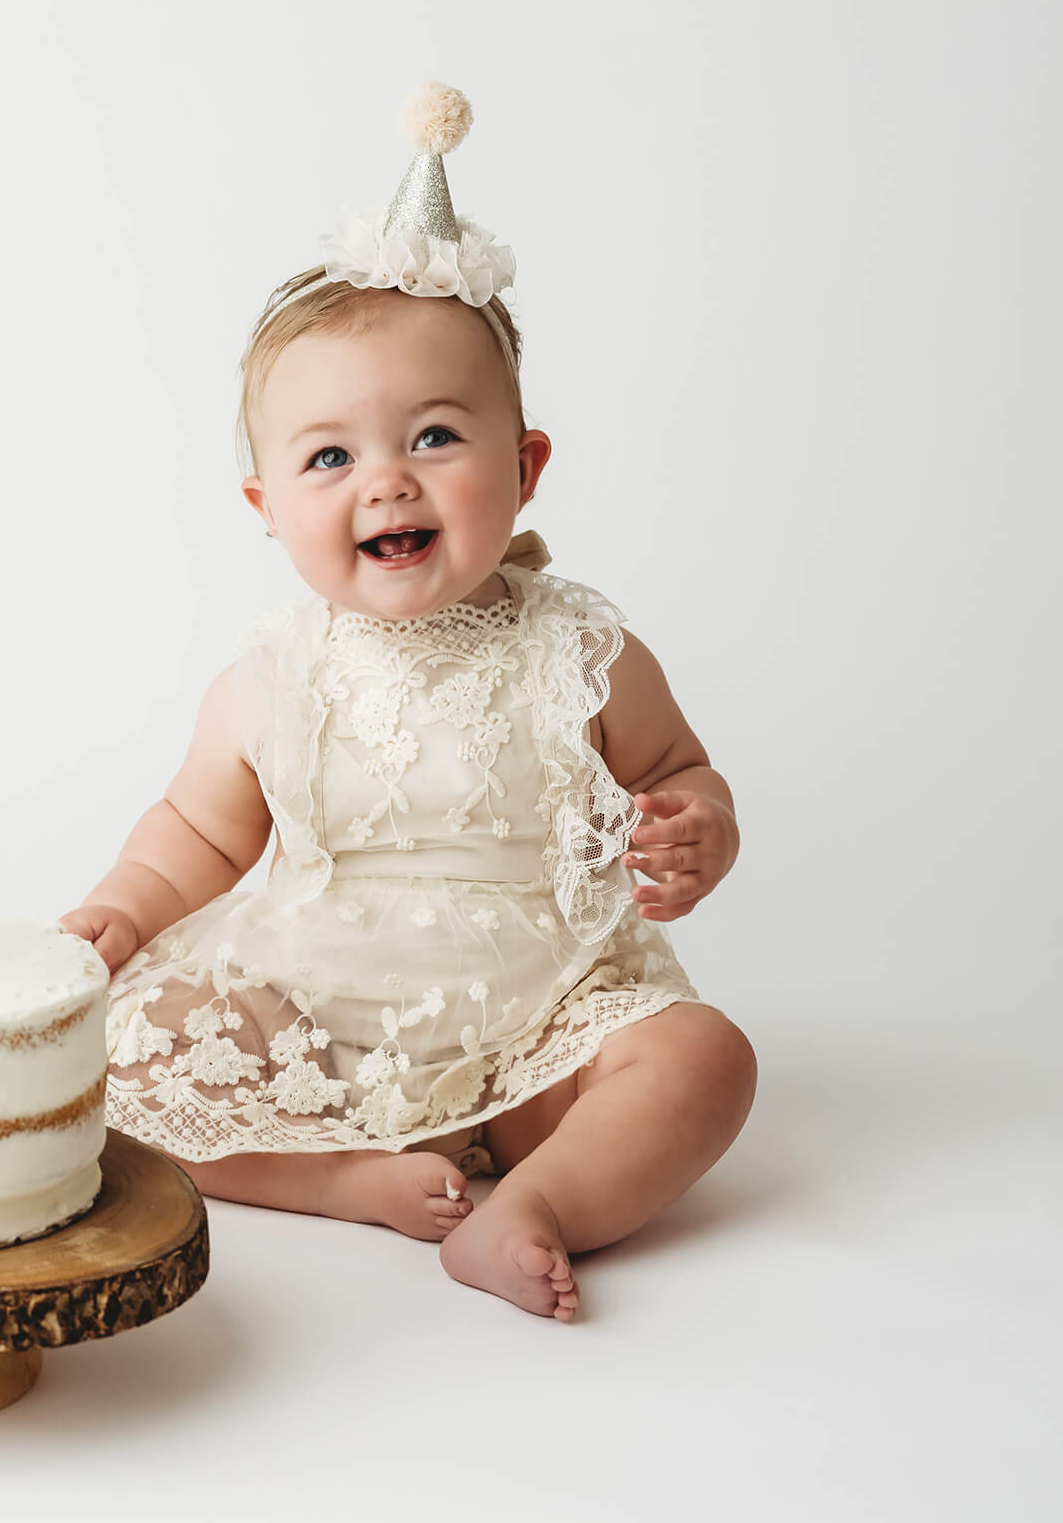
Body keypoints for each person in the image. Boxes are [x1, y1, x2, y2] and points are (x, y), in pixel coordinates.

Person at [60, 84, 756, 1322]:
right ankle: (340, 1178)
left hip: (543, 1019)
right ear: (266, 507)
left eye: (435, 436)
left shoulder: (581, 650)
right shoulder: (269, 678)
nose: (384, 481)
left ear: (525, 466)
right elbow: (203, 835)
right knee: (115, 1055)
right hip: (314, 1019)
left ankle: (532, 1203)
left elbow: (679, 767)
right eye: (329, 457)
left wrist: (696, 824)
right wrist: (123, 906)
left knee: (702, 1060)